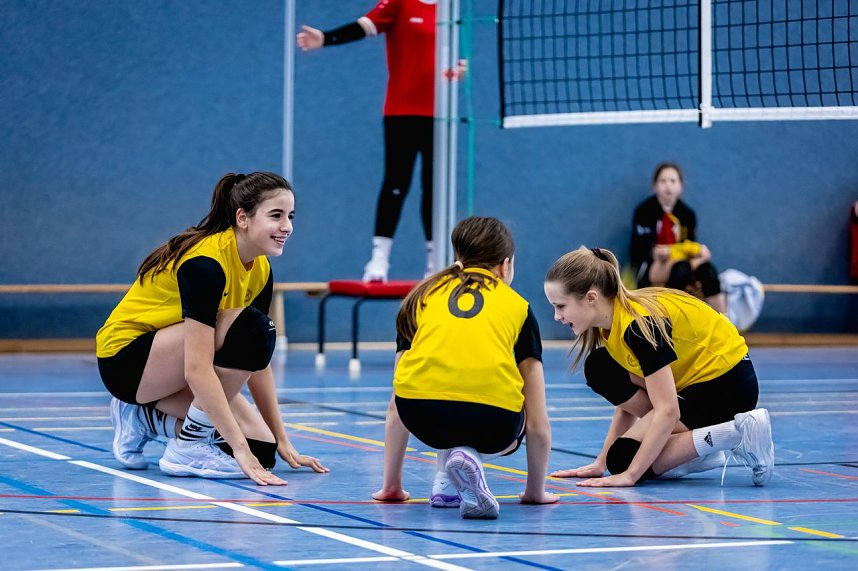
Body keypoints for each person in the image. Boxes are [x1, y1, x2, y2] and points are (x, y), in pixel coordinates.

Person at [96, 172, 328, 484]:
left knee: (262, 452)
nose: (287, 226)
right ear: (243, 218)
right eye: (276, 215)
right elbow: (197, 367)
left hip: (175, 364)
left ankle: (145, 419)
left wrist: (281, 439)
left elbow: (257, 357)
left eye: (290, 216)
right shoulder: (205, 264)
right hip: (128, 363)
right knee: (250, 331)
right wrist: (238, 447)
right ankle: (187, 445)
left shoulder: (260, 268)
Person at [371, 216, 558, 519]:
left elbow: (397, 399)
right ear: (505, 265)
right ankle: (467, 457)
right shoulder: (518, 306)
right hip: (493, 426)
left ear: (458, 257)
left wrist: (391, 485)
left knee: (439, 389)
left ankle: (447, 478)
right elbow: (538, 420)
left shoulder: (421, 296)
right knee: (497, 402)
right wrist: (535, 491)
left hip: (421, 418)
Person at [543, 246, 774, 487]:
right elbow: (628, 405)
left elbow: (667, 410)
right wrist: (601, 463)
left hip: (726, 389)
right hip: (697, 386)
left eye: (560, 306)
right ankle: (697, 444)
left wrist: (629, 475)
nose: (557, 316)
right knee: (600, 367)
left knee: (624, 460)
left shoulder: (638, 326)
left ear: (591, 298)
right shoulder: (612, 325)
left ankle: (736, 432)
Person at [297, 0, 438, 282]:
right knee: (396, 184)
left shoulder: (452, 11)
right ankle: (379, 260)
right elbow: (363, 27)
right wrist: (325, 38)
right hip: (402, 112)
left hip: (440, 116)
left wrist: (460, 70)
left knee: (434, 188)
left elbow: (457, 58)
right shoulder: (400, 3)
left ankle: (435, 265)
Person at [630, 162, 727, 313]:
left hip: (681, 258)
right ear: (654, 186)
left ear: (681, 186)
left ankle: (724, 320)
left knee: (709, 272)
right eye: (663, 181)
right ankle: (673, 320)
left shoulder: (687, 214)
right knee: (681, 270)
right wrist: (654, 251)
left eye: (673, 181)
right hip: (655, 264)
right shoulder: (644, 211)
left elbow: (689, 243)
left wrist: (699, 251)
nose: (668, 186)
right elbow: (636, 248)